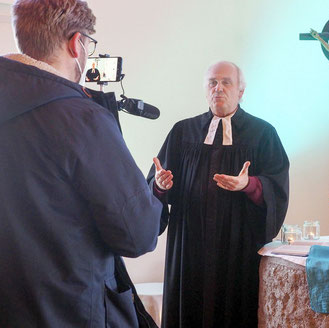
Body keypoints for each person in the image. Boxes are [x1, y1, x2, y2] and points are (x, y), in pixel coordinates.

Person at [0, 0, 162, 327]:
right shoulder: (82, 119)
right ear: (77, 44)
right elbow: (138, 235)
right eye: (89, 42)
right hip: (73, 309)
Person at [147, 61, 289, 327]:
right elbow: (156, 184)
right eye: (212, 82)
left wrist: (249, 185)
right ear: (205, 89)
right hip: (188, 246)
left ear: (241, 91)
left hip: (237, 247)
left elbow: (277, 187)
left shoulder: (263, 134)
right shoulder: (182, 132)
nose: (218, 88)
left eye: (226, 82)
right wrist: (161, 187)